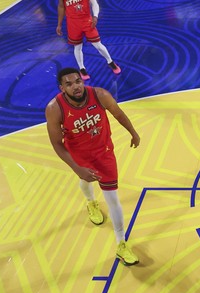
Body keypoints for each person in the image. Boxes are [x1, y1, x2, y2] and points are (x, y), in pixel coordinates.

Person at [45, 67, 141, 266]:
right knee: (84, 180)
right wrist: (76, 167)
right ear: (61, 88)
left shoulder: (100, 95)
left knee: (113, 198)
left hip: (104, 152)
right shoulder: (55, 108)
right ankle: (90, 201)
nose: (76, 86)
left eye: (78, 81)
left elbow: (118, 114)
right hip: (79, 155)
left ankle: (121, 244)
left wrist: (133, 132)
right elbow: (56, 143)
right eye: (69, 84)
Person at [56, 0, 122, 80]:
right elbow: (61, 7)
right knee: (77, 47)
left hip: (87, 20)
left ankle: (110, 62)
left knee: (98, 44)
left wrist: (95, 17)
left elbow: (94, 3)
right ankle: (82, 69)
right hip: (72, 22)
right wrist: (59, 24)